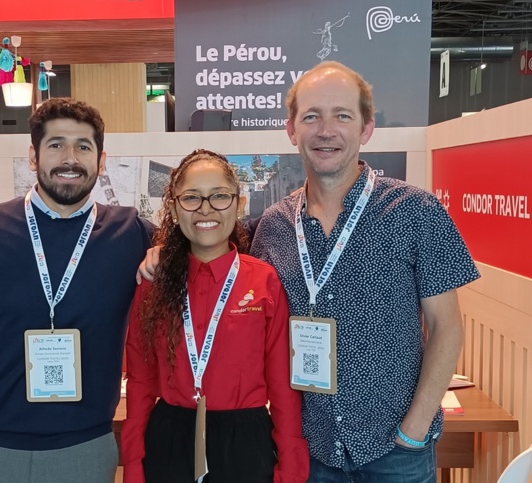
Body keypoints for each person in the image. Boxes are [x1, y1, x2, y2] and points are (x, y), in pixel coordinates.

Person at [138, 61, 480, 482]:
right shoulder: (273, 226)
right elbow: (207, 237)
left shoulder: (415, 211)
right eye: (312, 116)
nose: (325, 130)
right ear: (291, 129)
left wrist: (414, 429)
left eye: (342, 115)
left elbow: (447, 327)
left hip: (395, 449)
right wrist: (160, 253)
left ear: (366, 128)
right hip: (312, 450)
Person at [0, 98, 152, 483]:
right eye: (56, 145)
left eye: (83, 146)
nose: (70, 158)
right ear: (33, 157)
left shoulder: (130, 232)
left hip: (84, 450)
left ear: (101, 161)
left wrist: (165, 246)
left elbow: (198, 245)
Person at [122, 149, 309, 483]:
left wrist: (291, 467)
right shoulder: (153, 284)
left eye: (219, 196)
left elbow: (283, 384)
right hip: (170, 439)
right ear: (175, 208)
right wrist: (134, 464)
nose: (205, 209)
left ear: (237, 204)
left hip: (245, 442)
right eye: (191, 197)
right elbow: (139, 381)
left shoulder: (263, 280)